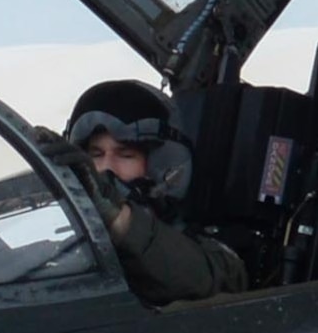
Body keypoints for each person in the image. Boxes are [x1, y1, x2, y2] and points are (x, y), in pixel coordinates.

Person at [45, 80, 246, 306]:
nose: (105, 168)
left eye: (125, 155)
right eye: (96, 154)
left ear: (162, 168)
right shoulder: (72, 250)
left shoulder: (210, 251)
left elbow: (206, 281)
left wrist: (117, 218)